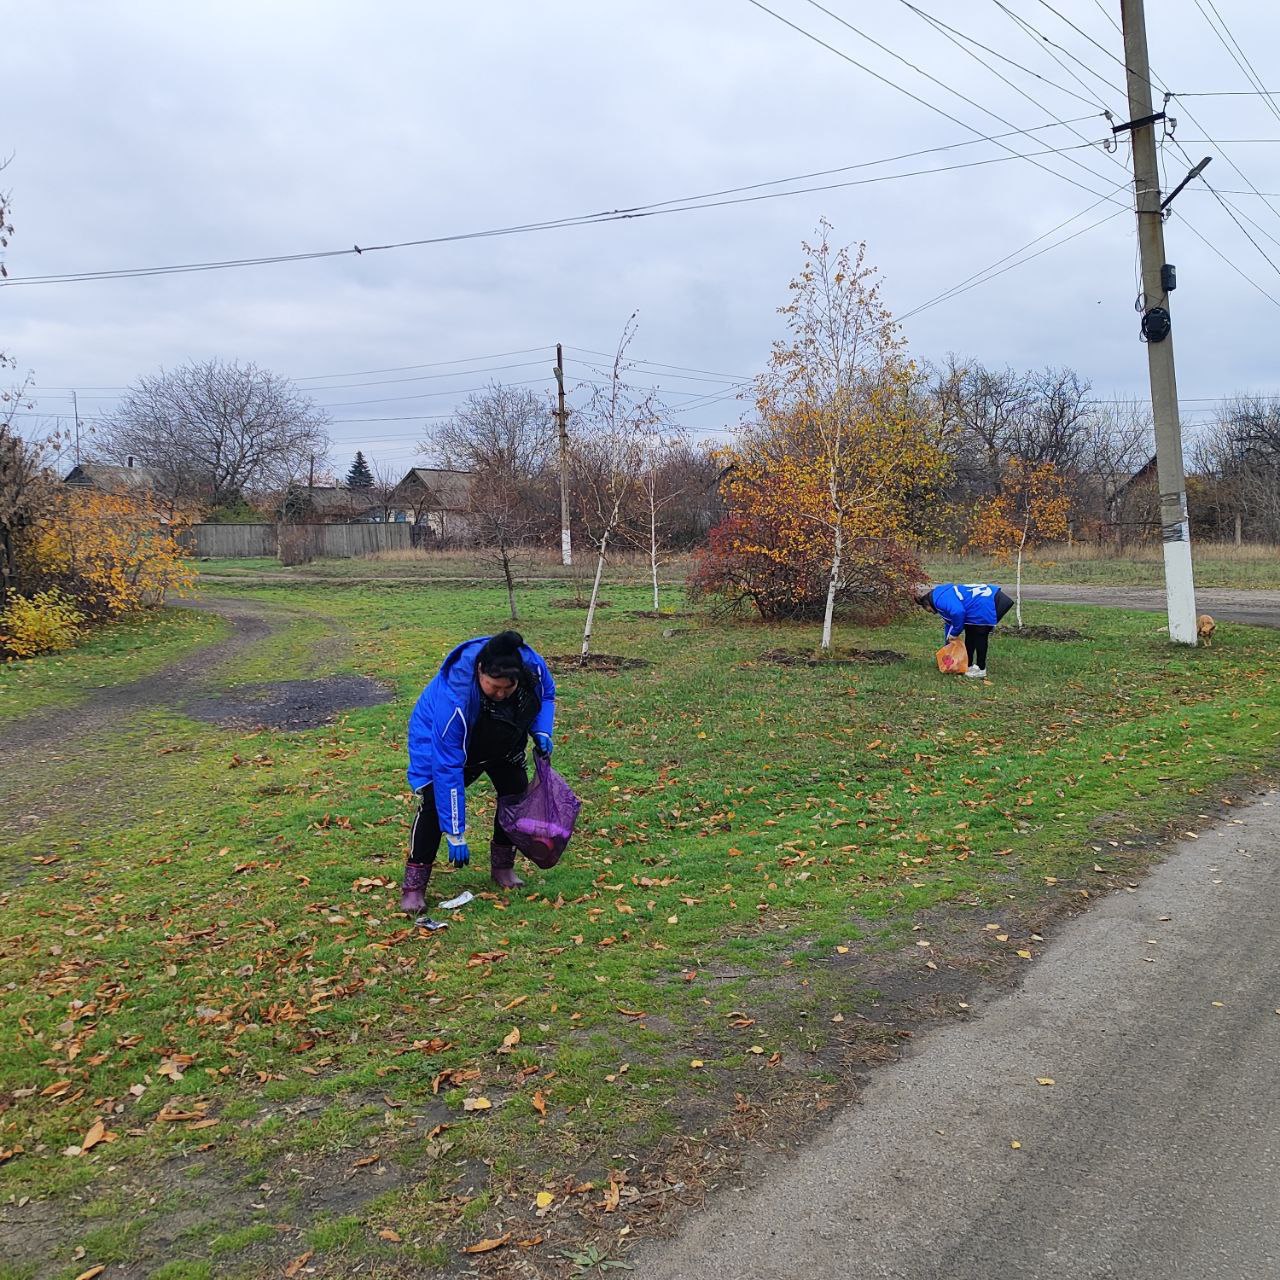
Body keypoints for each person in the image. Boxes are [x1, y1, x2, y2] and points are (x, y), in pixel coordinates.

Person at [401, 630, 557, 911]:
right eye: (493, 687)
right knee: (434, 806)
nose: (500, 693)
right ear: (479, 671)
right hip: (438, 745)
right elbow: (447, 766)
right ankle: (414, 886)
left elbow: (546, 693)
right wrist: (455, 832)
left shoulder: (531, 667)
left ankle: (502, 867)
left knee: (515, 794)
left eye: (507, 689)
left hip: (499, 738)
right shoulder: (455, 699)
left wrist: (542, 729)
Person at [914, 582, 1014, 680]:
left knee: (980, 634)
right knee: (970, 632)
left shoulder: (940, 601)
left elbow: (958, 612)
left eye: (928, 610)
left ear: (926, 604)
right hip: (988, 599)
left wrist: (955, 632)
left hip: (990, 601)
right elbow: (950, 623)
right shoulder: (939, 594)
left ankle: (981, 669)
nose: (931, 613)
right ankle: (968, 665)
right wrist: (948, 644)